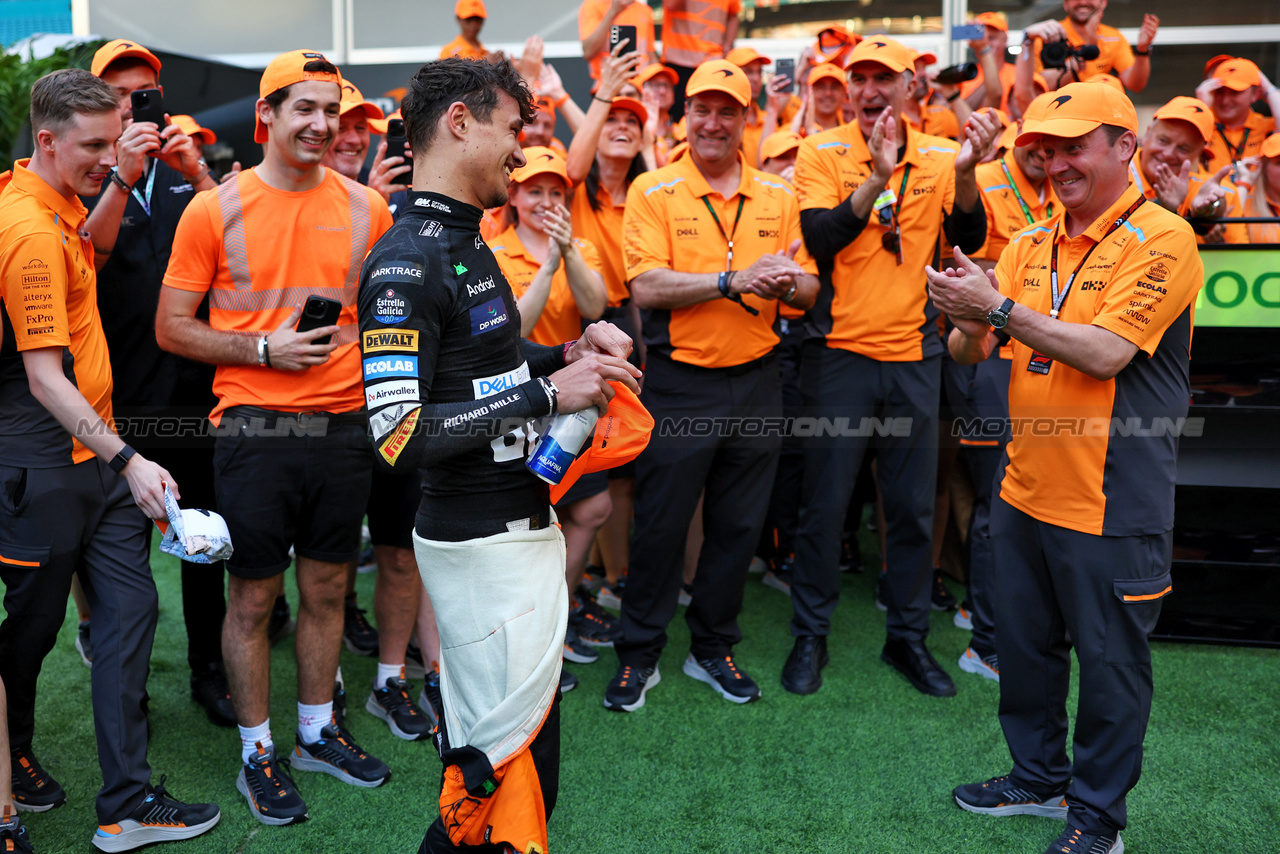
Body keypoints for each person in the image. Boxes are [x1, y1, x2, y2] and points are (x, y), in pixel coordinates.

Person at [354, 56, 639, 853]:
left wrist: (569, 352)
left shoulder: (465, 238)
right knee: (495, 781)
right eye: (513, 129)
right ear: (458, 123)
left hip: (516, 531)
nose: (523, 149)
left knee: (522, 774)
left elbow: (491, 369)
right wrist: (550, 396)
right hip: (478, 547)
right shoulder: (404, 262)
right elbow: (398, 435)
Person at [930, 80, 1203, 854]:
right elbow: (973, 349)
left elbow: (1107, 353)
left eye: (1074, 145)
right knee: (1025, 650)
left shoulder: (1163, 238)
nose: (1056, 163)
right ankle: (1038, 777)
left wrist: (996, 311)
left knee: (1112, 667)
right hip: (1023, 491)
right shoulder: (1028, 243)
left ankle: (1098, 819)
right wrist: (961, 319)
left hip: (1111, 501)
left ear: (1126, 148)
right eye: (1045, 150)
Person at [156, 49, 395, 825]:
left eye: (332, 110)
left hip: (344, 429)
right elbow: (172, 328)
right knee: (254, 598)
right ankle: (258, 750)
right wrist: (263, 349)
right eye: (306, 109)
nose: (323, 124)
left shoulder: (371, 209)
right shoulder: (212, 209)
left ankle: (317, 732)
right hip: (254, 430)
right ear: (267, 116)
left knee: (329, 588)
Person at [0, 67, 221, 852]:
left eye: (112, 138)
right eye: (94, 145)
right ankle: (13, 752)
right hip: (48, 466)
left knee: (130, 613)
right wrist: (129, 456)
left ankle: (126, 802)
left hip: (96, 456)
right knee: (28, 636)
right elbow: (42, 377)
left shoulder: (61, 201)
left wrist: (122, 177)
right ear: (49, 139)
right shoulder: (25, 228)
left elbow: (91, 247)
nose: (107, 156)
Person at [782, 35, 996, 699]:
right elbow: (818, 240)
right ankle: (810, 634)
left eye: (885, 78)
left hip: (914, 358)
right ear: (847, 89)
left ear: (912, 86)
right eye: (861, 78)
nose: (872, 90)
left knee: (910, 510)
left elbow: (970, 240)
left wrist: (964, 174)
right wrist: (875, 174)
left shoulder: (940, 152)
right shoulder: (821, 150)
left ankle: (907, 639)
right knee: (824, 507)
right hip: (840, 357)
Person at [605, 59, 819, 712]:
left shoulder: (779, 198)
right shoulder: (654, 191)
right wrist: (732, 281)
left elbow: (809, 292)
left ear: (747, 119)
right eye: (703, 109)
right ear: (685, 118)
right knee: (661, 528)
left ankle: (712, 647)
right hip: (679, 384)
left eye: (728, 110)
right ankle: (638, 654)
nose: (714, 122)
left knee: (737, 528)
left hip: (758, 380)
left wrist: (786, 281)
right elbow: (645, 287)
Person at [80, 38, 235, 728]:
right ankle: (127, 690)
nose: (133, 106)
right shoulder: (84, 176)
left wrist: (195, 170)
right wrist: (121, 174)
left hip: (194, 399)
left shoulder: (182, 177)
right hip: (114, 405)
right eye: (118, 95)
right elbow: (84, 257)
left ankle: (210, 672)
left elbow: (241, 242)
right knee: (121, 565)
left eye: (143, 93)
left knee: (204, 544)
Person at [314, 76, 437, 740]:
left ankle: (390, 680)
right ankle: (325, 686)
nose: (353, 134)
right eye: (341, 122)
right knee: (324, 569)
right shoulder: (295, 200)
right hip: (324, 413)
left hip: (396, 405)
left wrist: (397, 201)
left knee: (398, 552)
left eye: (362, 124)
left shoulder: (400, 205)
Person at [488, 146, 614, 683]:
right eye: (533, 190)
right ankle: (527, 639)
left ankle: (552, 623)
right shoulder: (493, 251)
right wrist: (548, 266)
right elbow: (512, 330)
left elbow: (596, 308)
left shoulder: (579, 245)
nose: (545, 201)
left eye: (555, 192)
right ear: (513, 196)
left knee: (591, 508)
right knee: (525, 522)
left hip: (576, 405)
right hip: (517, 403)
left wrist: (569, 253)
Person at [952, 92, 1058, 682]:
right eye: (1037, 144)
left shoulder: (1070, 195)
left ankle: (991, 615)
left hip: (1049, 361)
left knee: (1024, 501)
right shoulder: (988, 179)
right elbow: (965, 261)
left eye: (1060, 145)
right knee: (998, 503)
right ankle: (985, 640)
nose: (1047, 155)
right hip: (994, 358)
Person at [1130, 96, 1240, 242]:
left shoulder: (1218, 190)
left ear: (1199, 154)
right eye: (1163, 140)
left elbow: (1236, 261)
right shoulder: (1115, 171)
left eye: (1183, 148)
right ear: (1147, 134)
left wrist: (1209, 213)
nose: (1168, 154)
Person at [1021, 1, 1159, 92]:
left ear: (1103, 2)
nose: (1083, 2)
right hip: (1059, 114)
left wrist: (1142, 49)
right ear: (1065, 4)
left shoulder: (1113, 36)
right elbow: (1042, 88)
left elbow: (1135, 85)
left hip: (1100, 115)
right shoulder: (1050, 34)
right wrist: (1087, 48)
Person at [1199, 58, 1280, 176]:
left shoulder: (1267, 126)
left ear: (1256, 94)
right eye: (1220, 92)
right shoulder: (1203, 125)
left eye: (1234, 92)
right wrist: (1203, 106)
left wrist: (1268, 88)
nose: (1225, 100)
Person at [661, 0, 741, 120]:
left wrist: (728, 46)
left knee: (710, 118)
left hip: (712, 62)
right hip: (679, 61)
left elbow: (733, 15)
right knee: (677, 120)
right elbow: (670, 4)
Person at [579, 0, 657, 82]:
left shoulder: (645, 10)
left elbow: (650, 53)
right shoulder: (593, 5)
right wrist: (613, 11)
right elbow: (588, 51)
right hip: (607, 85)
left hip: (640, 84)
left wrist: (658, 79)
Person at [960, 12, 1017, 113]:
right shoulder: (964, 76)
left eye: (991, 38)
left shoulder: (1019, 75)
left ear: (1005, 39)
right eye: (982, 38)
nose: (985, 42)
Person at [1235, 134, 1280, 242]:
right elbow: (1229, 234)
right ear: (1262, 167)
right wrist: (1245, 181)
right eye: (1279, 163)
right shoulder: (1245, 207)